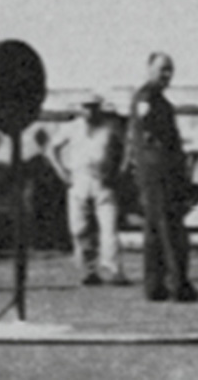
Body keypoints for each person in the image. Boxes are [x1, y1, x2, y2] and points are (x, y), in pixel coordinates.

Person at [125, 51, 198, 303]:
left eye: (170, 70)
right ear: (149, 69)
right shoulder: (148, 98)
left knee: (155, 230)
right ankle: (178, 284)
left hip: (154, 172)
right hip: (159, 172)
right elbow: (149, 135)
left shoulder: (152, 99)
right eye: (162, 69)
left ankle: (155, 285)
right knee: (171, 229)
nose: (167, 75)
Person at [49, 94, 128, 286]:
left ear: (99, 107)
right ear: (80, 108)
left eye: (93, 107)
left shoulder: (111, 126)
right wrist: (61, 172)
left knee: (108, 229)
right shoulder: (71, 127)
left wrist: (120, 171)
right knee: (79, 229)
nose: (90, 111)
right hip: (79, 179)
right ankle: (88, 270)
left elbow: (128, 147)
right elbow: (52, 148)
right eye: (86, 107)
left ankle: (113, 271)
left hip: (104, 180)